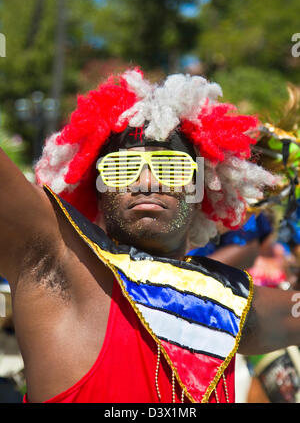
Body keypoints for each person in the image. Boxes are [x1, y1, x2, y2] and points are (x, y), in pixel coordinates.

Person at [1, 68, 300, 404]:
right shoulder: (56, 265)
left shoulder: (234, 303)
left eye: (171, 169)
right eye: (122, 168)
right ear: (97, 188)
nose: (146, 183)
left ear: (200, 190)